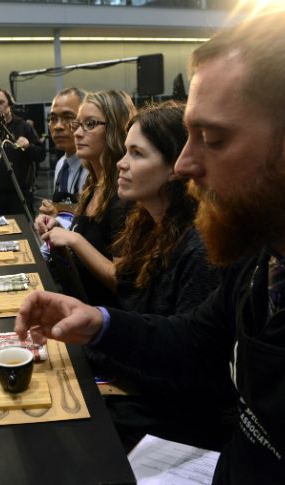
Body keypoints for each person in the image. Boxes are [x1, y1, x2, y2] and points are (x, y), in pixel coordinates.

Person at [16, 5, 285, 483]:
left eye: (211, 137)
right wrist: (98, 322)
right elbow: (193, 339)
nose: (184, 165)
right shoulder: (267, 261)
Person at [96, 101, 228, 451]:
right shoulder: (145, 226)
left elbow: (184, 377)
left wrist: (100, 348)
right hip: (147, 396)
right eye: (125, 151)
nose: (122, 164)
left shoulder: (199, 250)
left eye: (137, 154)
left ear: (174, 168)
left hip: (180, 423)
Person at [34, 90, 135, 307]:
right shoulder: (93, 185)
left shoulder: (125, 195)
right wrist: (57, 226)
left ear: (115, 129)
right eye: (77, 124)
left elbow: (122, 282)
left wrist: (74, 240)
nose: (78, 133)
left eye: (90, 124)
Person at [0, 89, 45, 216]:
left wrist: (28, 146)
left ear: (10, 104)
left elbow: (41, 155)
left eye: (1, 102)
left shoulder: (24, 126)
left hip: (19, 195)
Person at [38, 87, 90, 218]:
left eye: (67, 117)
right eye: (53, 118)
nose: (57, 126)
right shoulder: (61, 165)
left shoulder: (94, 170)